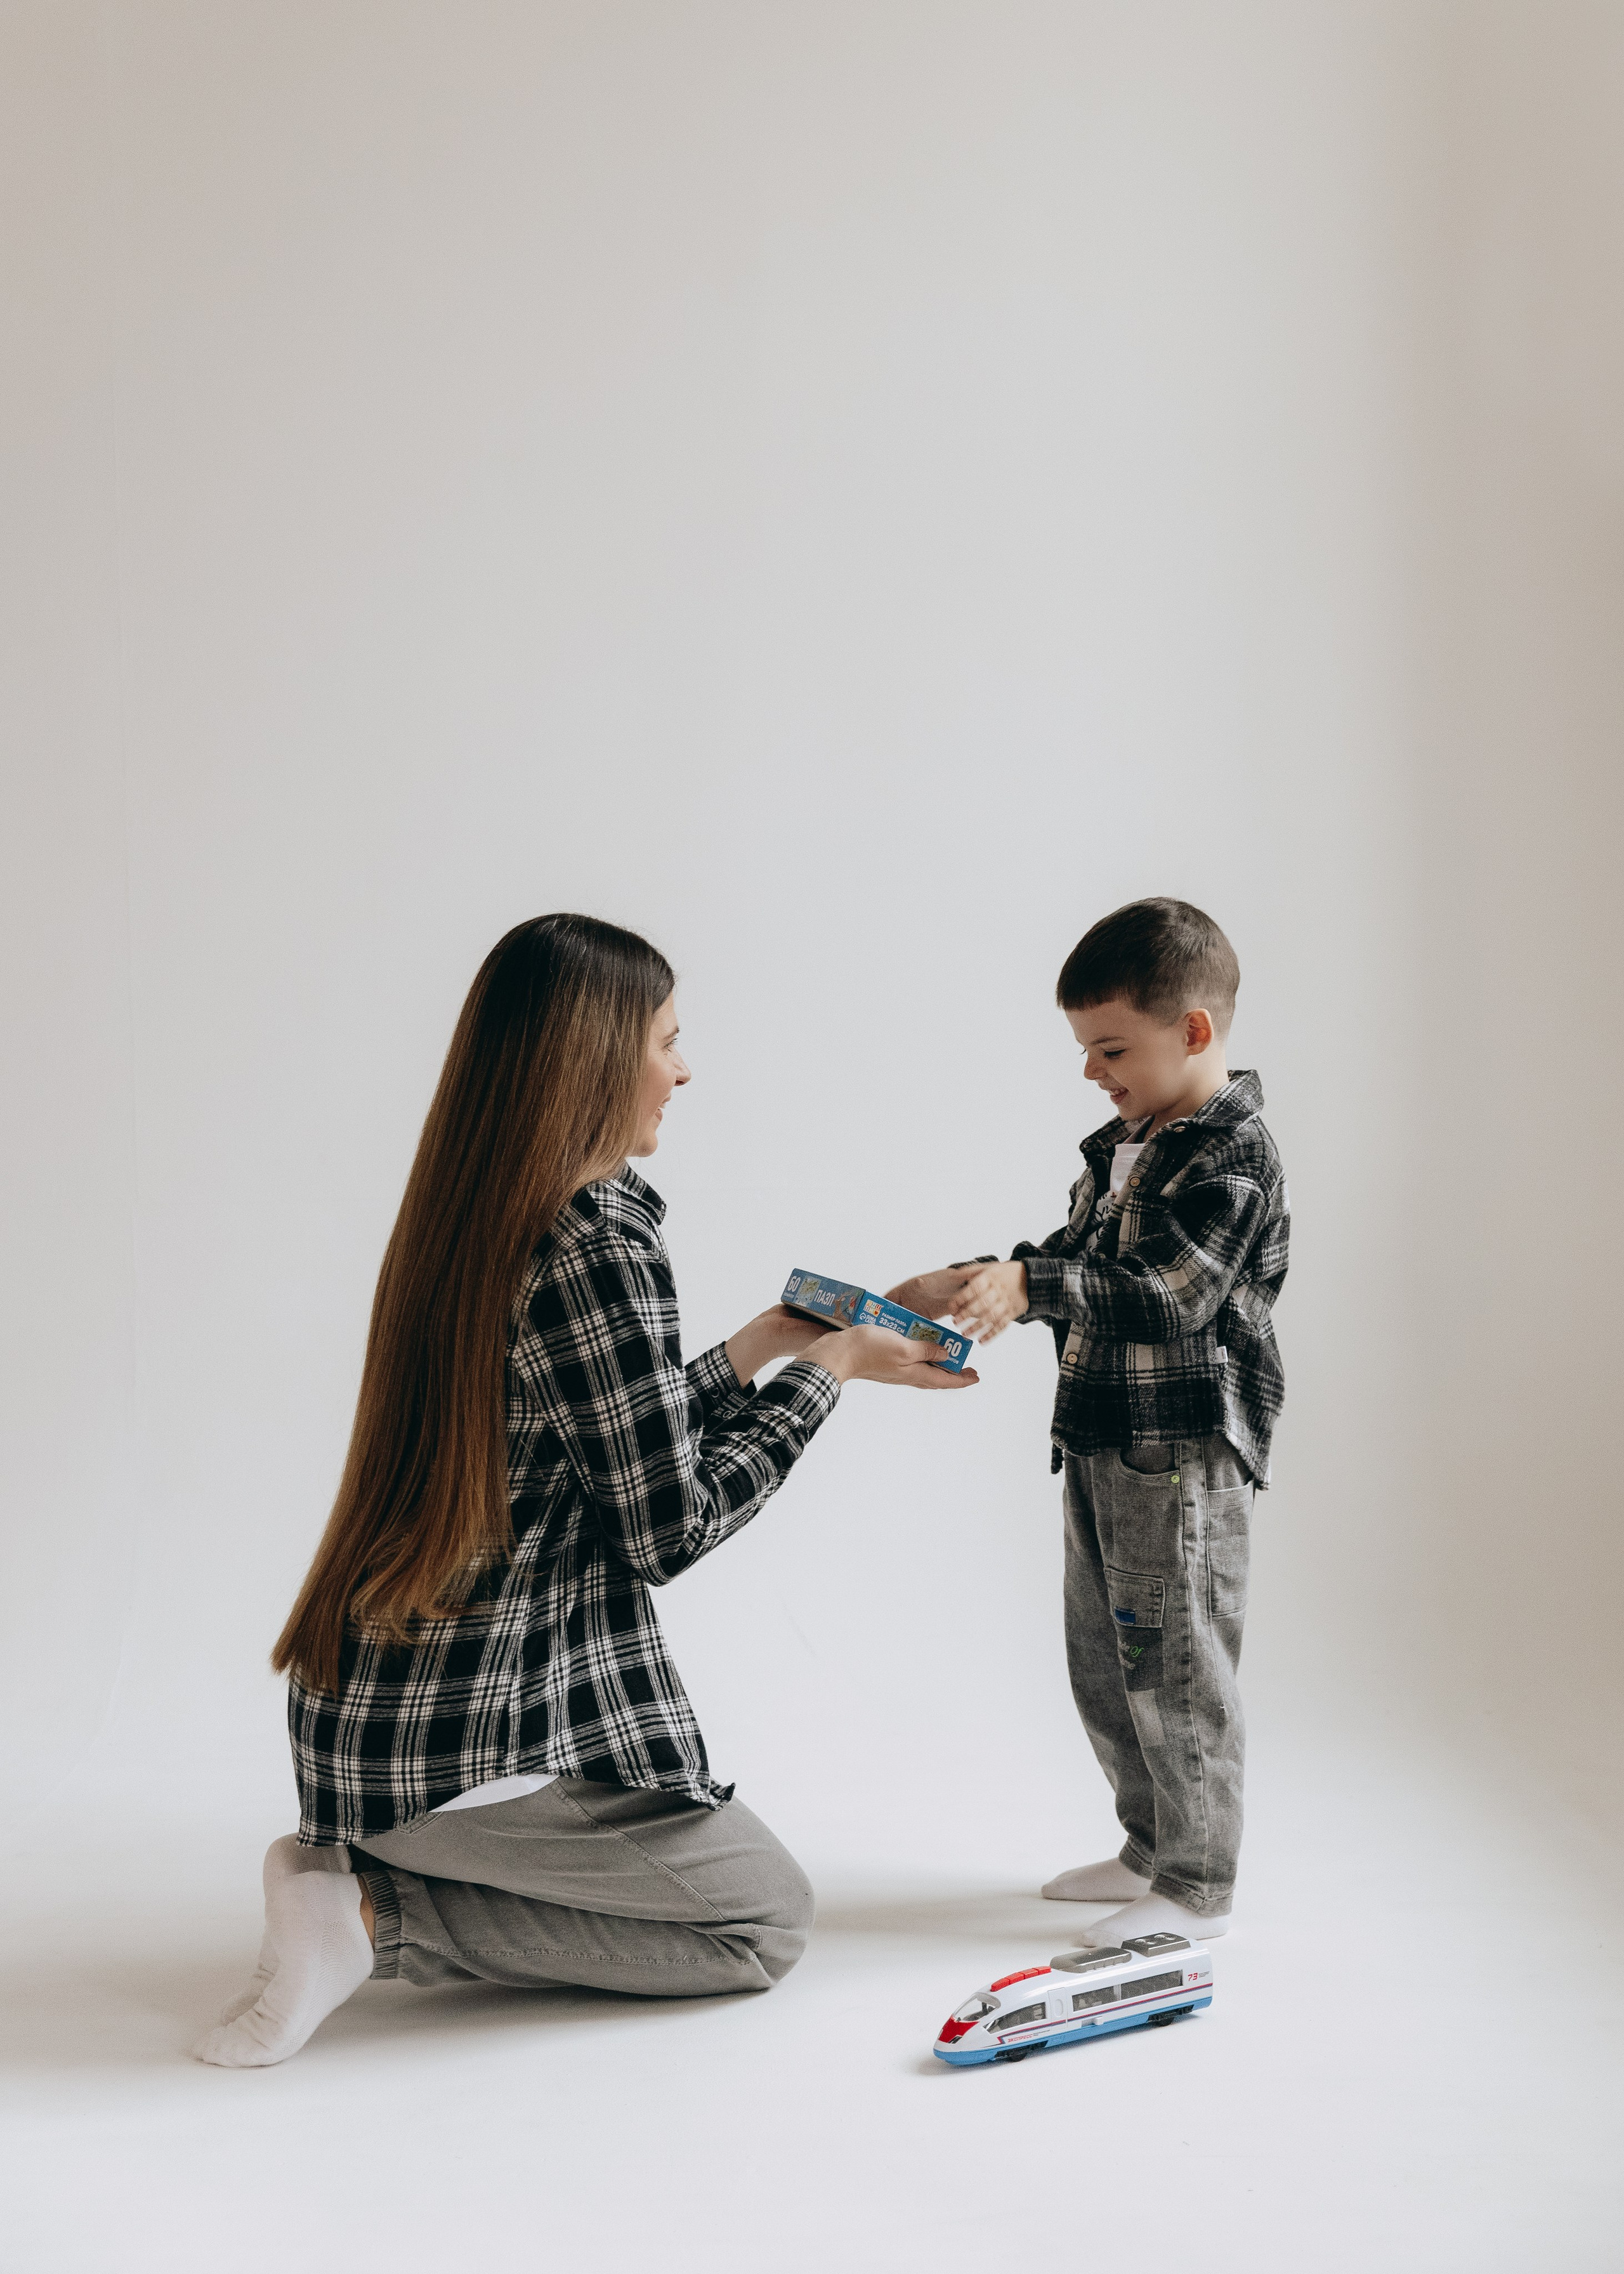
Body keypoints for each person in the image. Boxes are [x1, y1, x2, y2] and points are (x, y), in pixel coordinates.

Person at [197, 913, 975, 2068]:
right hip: (474, 1736)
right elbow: (668, 1524)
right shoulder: (599, 1242)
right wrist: (833, 1370)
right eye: (666, 1038)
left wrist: (764, 1341)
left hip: (379, 1717)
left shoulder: (480, 1209)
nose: (683, 1067)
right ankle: (371, 1915)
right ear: (596, 1056)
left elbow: (600, 1444)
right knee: (764, 1920)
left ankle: (354, 1873)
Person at [890, 898, 1287, 1946]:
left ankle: (1198, 1884)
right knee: (1107, 1659)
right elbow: (1077, 1262)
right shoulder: (1126, 1143)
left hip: (1180, 1454)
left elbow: (1171, 1294)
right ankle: (1149, 1845)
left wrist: (1035, 1284)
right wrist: (988, 1278)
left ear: (1193, 1030)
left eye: (1110, 1047)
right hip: (1104, 1435)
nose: (1090, 1070)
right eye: (1085, 1048)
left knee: (1178, 1664)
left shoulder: (1232, 1157)